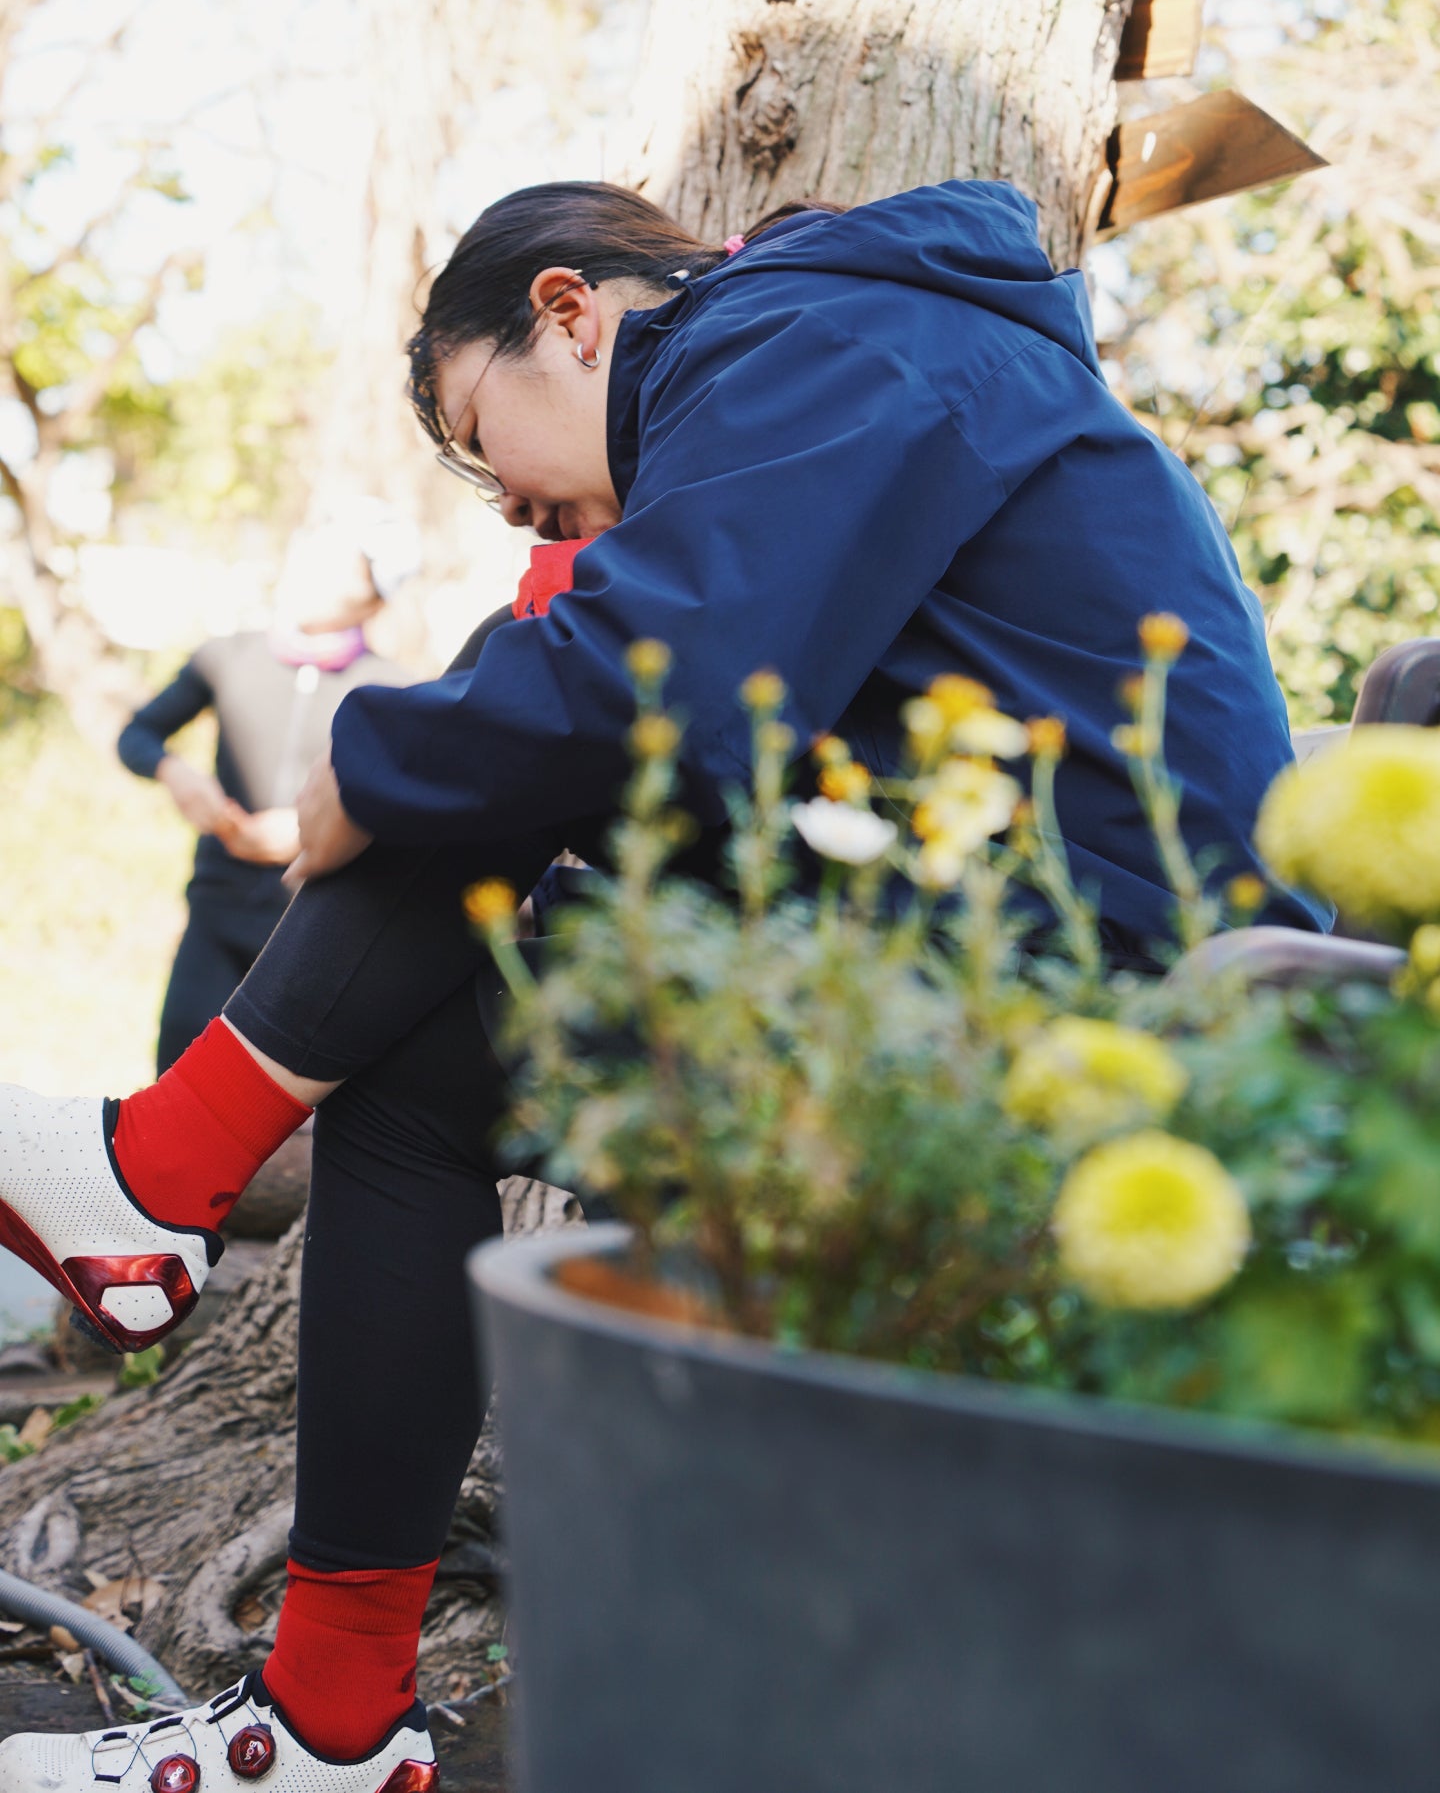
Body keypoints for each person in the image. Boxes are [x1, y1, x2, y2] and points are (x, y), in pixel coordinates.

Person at [0, 179, 1326, 1792]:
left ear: (569, 312)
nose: (519, 508)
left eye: (492, 445)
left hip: (1084, 1001)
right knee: (448, 936)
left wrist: (376, 755)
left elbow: (666, 694)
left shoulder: (826, 334)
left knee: (462, 815)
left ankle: (167, 1202)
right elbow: (699, 730)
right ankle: (317, 1679)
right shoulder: (844, 350)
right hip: (981, 948)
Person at [118, 518, 417, 1073]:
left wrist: (327, 827)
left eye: (343, 575)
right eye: (315, 558)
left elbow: (410, 806)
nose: (317, 580)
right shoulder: (226, 657)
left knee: (284, 1123)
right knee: (173, 1079)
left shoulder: (392, 690)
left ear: (375, 603)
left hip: (313, 931)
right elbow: (136, 734)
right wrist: (175, 773)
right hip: (215, 909)